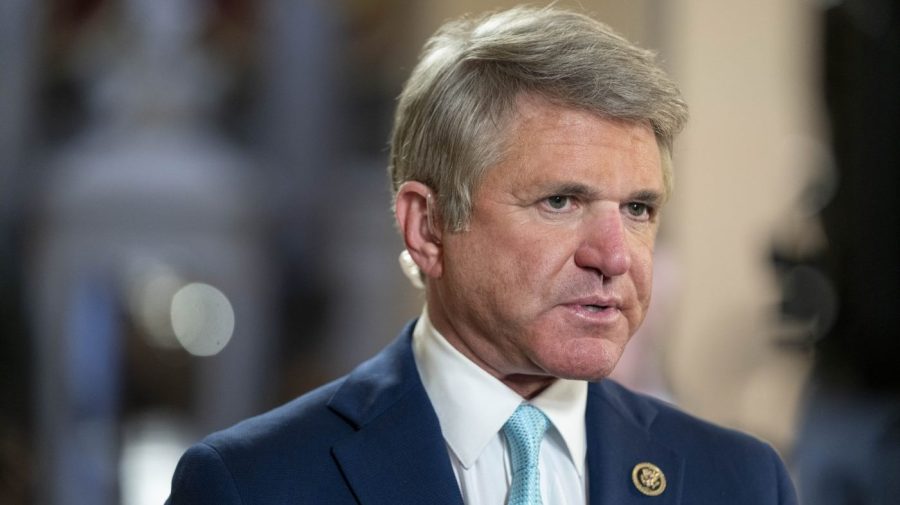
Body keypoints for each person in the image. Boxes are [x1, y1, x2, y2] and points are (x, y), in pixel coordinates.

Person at [167, 6, 798, 504]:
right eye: (560, 201)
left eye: (638, 209)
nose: (614, 257)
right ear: (428, 226)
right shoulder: (251, 485)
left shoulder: (741, 482)